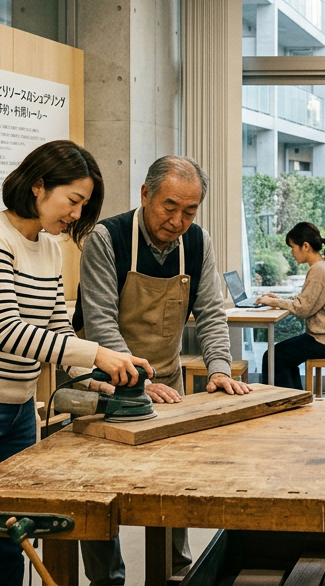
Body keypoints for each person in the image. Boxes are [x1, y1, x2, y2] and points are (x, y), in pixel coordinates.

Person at [0, 140, 153, 586]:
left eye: (82, 205)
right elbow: (5, 330)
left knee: (14, 543)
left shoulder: (49, 249)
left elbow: (57, 329)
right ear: (38, 186)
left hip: (18, 411)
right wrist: (99, 353)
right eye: (72, 200)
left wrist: (91, 379)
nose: (74, 214)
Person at [75, 154, 251, 586]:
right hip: (103, 386)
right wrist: (136, 382)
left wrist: (219, 369)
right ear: (145, 195)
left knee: (172, 486)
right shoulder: (107, 239)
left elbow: (211, 313)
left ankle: (176, 574)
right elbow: (99, 322)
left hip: (166, 386)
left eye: (189, 211)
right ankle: (107, 581)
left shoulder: (197, 243)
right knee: (96, 494)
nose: (178, 220)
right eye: (169, 207)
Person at [255, 222, 325, 390]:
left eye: (292, 247)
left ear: (305, 246)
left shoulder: (318, 270)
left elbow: (302, 309)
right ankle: (295, 399)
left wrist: (275, 302)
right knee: (281, 356)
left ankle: (282, 403)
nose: (292, 253)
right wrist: (280, 298)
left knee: (273, 356)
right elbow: (308, 299)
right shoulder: (324, 266)